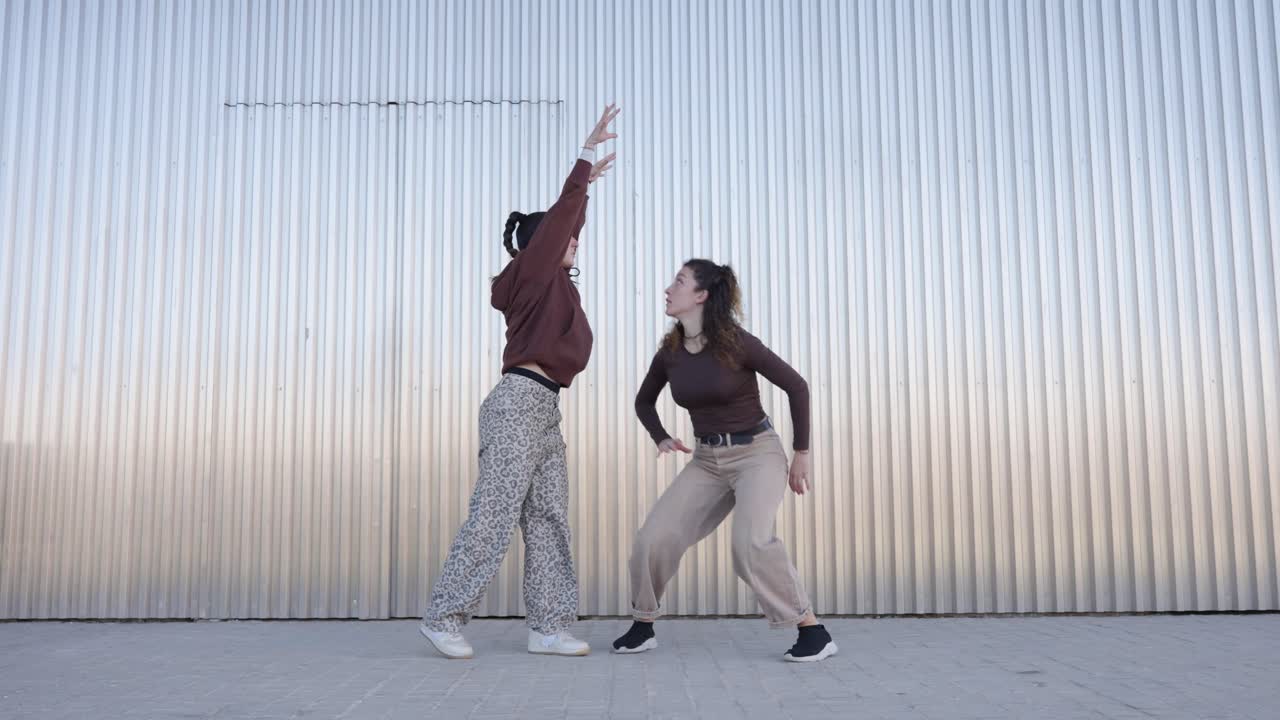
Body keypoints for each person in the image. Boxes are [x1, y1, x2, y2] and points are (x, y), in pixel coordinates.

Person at [419, 104, 620, 659]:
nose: (575, 241)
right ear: (540, 247)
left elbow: (568, 221)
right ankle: (443, 616)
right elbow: (561, 222)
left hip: (545, 409)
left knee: (549, 516)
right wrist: (583, 161)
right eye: (564, 237)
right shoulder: (532, 275)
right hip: (518, 403)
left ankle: (549, 627)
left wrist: (584, 193)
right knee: (495, 511)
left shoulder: (555, 287)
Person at [612, 259, 837, 662]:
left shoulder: (737, 342)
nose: (668, 289)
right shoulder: (670, 353)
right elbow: (644, 401)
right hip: (706, 461)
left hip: (757, 454)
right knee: (652, 538)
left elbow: (797, 386)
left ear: (701, 295)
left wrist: (801, 453)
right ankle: (643, 625)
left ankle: (812, 630)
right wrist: (660, 436)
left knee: (749, 543)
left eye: (679, 282)